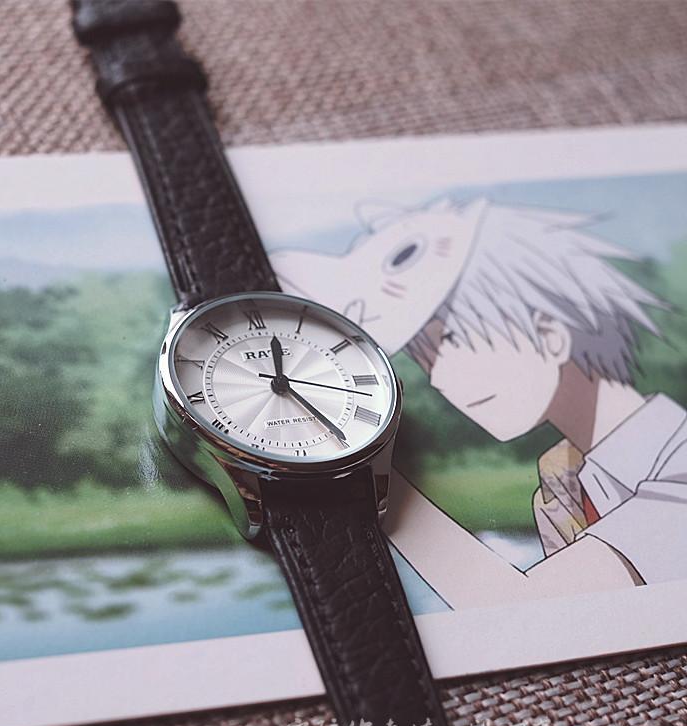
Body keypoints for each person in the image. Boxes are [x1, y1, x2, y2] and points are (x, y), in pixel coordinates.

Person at [273, 197, 687, 609]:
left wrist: (361, 461)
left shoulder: (680, 459)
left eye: (452, 340)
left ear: (550, 334)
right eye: (425, 360)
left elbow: (539, 612)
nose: (439, 379)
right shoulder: (562, 481)